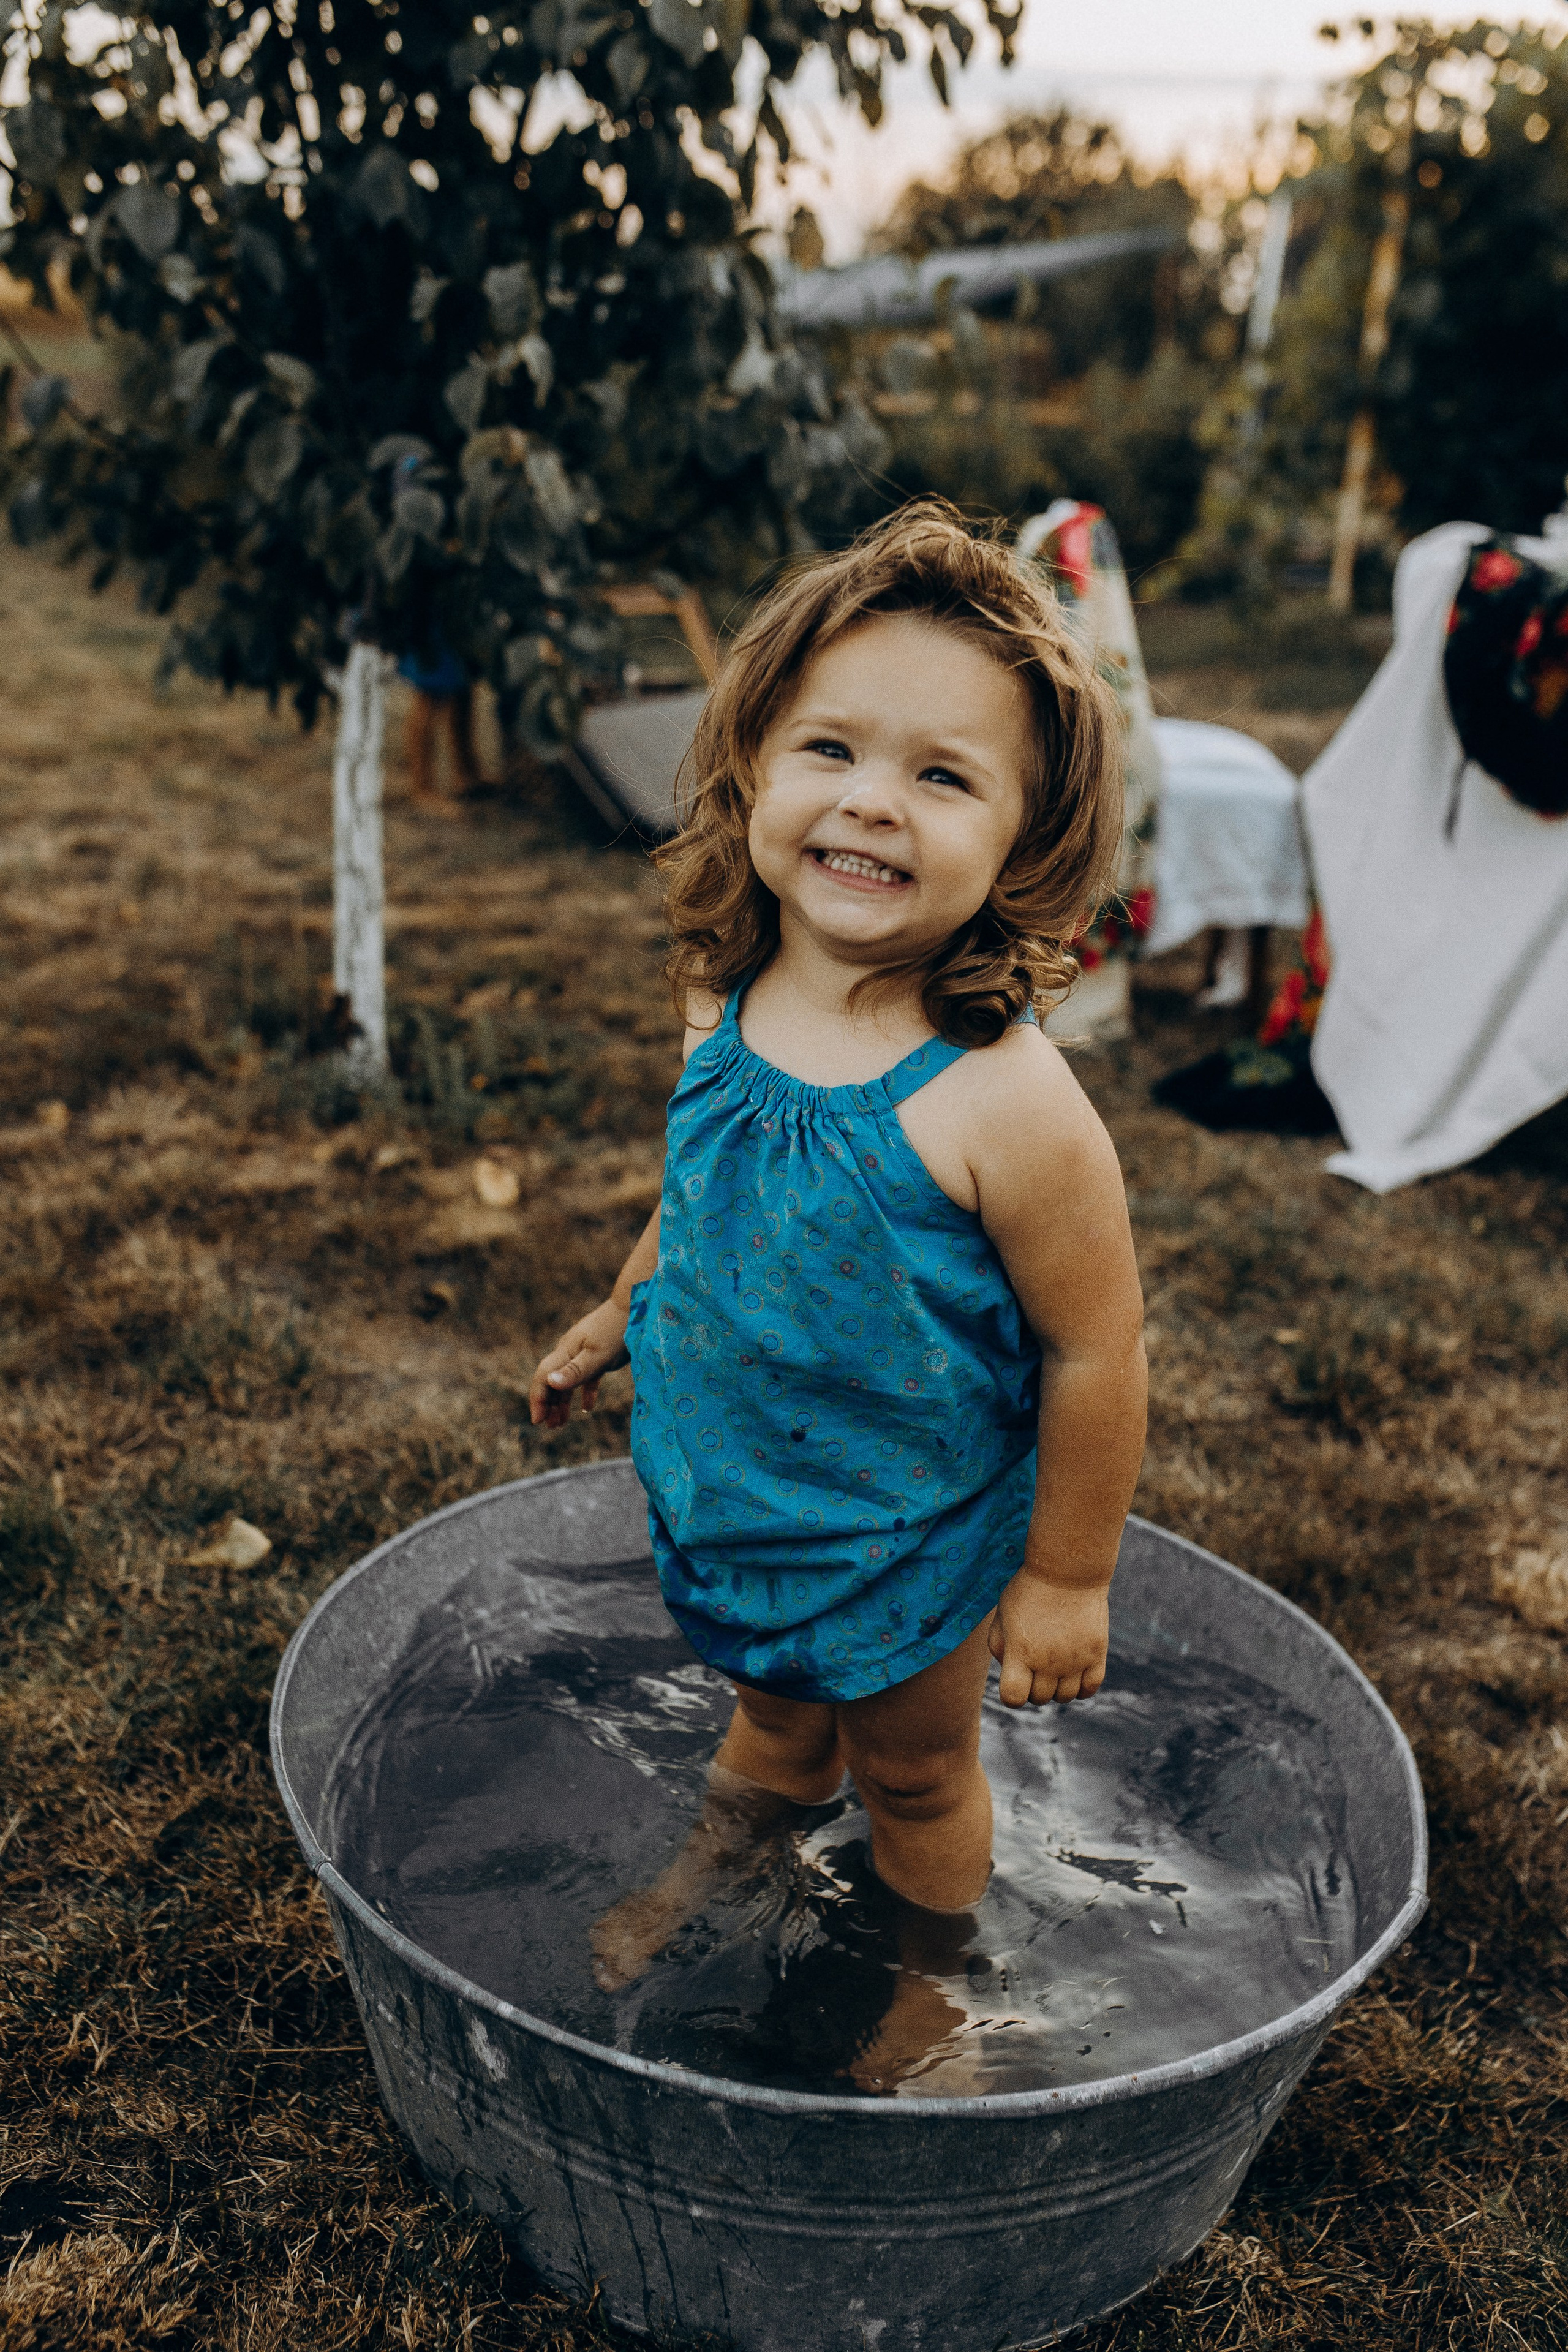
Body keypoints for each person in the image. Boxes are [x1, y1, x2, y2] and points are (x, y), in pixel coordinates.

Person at [528, 501, 1148, 2090]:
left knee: (919, 1780)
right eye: (833, 751)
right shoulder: (720, 999)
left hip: (907, 1529)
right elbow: (701, 1197)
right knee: (772, 1724)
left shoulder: (1006, 1101)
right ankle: (718, 1867)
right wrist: (621, 1311)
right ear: (753, 769)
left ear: (1026, 836)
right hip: (733, 1491)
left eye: (944, 777)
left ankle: (929, 1981)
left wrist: (1067, 1578)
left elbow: (1095, 1348)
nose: (874, 801)